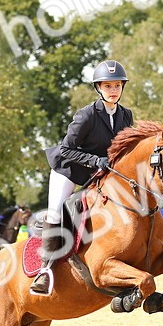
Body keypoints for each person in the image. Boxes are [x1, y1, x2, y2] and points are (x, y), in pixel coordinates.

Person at [30, 59, 134, 296]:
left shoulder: (126, 116)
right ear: (99, 88)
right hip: (69, 169)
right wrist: (95, 161)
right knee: (56, 212)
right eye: (108, 86)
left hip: (99, 174)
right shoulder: (86, 115)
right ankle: (44, 271)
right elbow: (66, 149)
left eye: (117, 85)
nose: (113, 90)